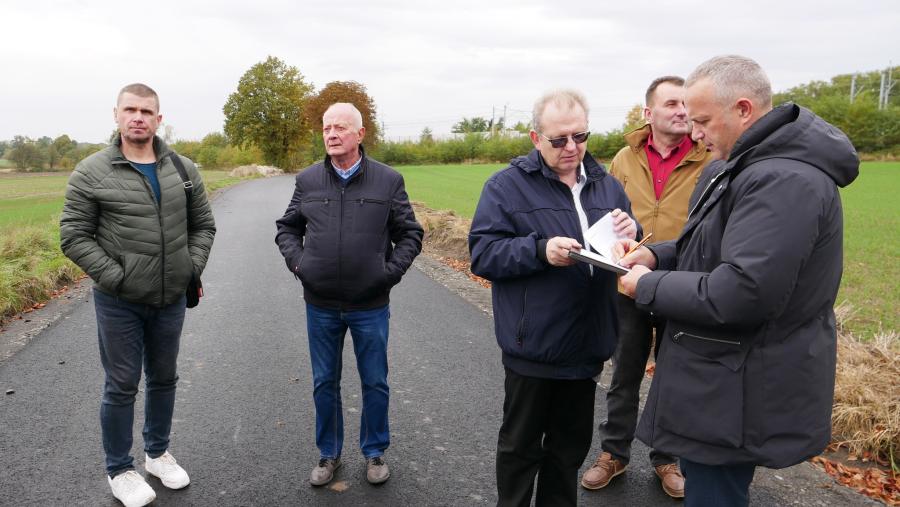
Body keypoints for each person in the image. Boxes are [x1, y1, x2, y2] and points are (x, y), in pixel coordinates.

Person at [615, 55, 859, 506]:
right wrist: (656, 252)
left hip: (737, 386)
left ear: (744, 109)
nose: (695, 133)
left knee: (715, 495)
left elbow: (742, 292)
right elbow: (709, 246)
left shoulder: (783, 180)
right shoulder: (739, 165)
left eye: (703, 120)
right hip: (719, 380)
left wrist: (646, 285)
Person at [469, 89, 639, 507]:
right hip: (534, 345)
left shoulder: (608, 187)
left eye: (580, 137)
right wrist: (540, 251)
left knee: (567, 454)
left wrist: (629, 236)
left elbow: (624, 245)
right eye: (559, 139)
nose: (572, 148)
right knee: (520, 450)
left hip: (587, 345)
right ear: (534, 138)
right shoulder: (506, 187)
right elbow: (483, 253)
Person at [60, 83, 216, 507]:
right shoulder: (92, 171)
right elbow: (73, 236)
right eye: (130, 109)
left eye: (147, 111)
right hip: (118, 300)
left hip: (170, 299)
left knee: (164, 379)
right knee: (122, 384)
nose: (138, 117)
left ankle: (157, 453)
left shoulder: (183, 169)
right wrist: (118, 277)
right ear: (116, 115)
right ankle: (120, 470)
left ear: (159, 119)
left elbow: (203, 226)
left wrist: (190, 267)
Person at [275, 102, 423, 487]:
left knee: (375, 380)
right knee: (325, 381)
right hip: (320, 304)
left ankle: (375, 452)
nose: (332, 134)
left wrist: (388, 274)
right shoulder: (308, 180)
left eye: (340, 127)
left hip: (369, 304)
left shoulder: (388, 180)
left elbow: (410, 233)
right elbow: (287, 228)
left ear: (360, 134)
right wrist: (300, 265)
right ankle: (329, 454)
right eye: (327, 128)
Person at [581, 76, 712, 498]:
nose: (681, 110)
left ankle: (667, 458)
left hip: (683, 286)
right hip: (628, 286)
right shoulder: (624, 157)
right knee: (625, 374)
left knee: (674, 377)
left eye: (685, 103)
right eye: (671, 103)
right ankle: (613, 453)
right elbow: (605, 211)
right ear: (648, 113)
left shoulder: (710, 158)